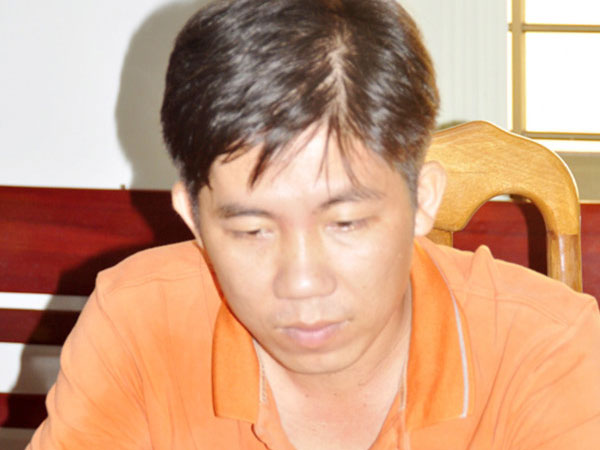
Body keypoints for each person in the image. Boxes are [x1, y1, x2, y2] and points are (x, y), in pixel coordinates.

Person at [29, 0, 600, 448]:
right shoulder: (138, 321)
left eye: (345, 222)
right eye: (252, 231)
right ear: (193, 219)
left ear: (423, 199)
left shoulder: (546, 348)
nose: (302, 282)